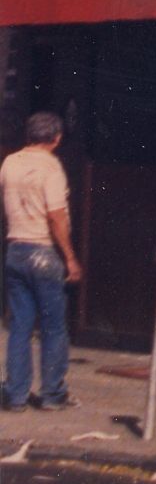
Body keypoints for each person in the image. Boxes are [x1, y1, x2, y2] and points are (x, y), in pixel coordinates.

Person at [2, 114, 81, 410]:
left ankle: (16, 394)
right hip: (44, 251)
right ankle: (52, 394)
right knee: (53, 326)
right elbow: (56, 216)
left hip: (16, 248)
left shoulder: (10, 163)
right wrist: (70, 257)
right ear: (56, 138)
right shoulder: (51, 168)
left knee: (20, 325)